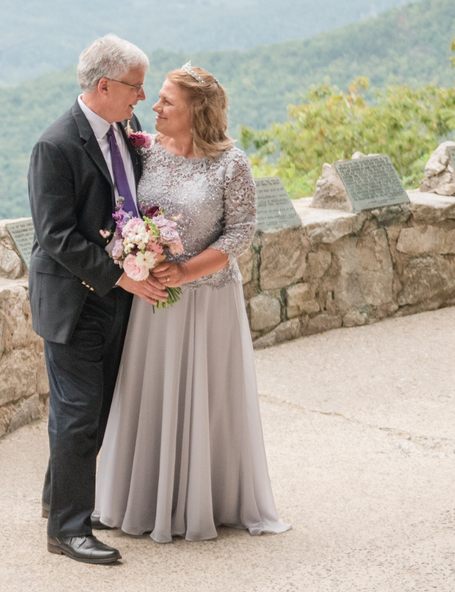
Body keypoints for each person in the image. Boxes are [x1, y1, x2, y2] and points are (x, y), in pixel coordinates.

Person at [93, 63, 290, 542]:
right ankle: (144, 499)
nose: (153, 107)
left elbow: (241, 232)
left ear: (196, 111)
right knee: (151, 392)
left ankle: (211, 498)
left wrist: (186, 270)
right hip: (155, 300)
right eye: (156, 98)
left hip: (210, 301)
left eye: (166, 101)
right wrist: (140, 257)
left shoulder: (231, 163)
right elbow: (123, 212)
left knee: (210, 397)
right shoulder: (144, 151)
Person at [27, 34, 168, 565]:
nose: (142, 97)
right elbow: (56, 237)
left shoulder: (124, 129)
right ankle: (67, 530)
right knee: (79, 412)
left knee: (97, 408)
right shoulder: (55, 145)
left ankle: (54, 500)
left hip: (115, 297)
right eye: (135, 86)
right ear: (104, 85)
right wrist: (121, 279)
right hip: (74, 301)